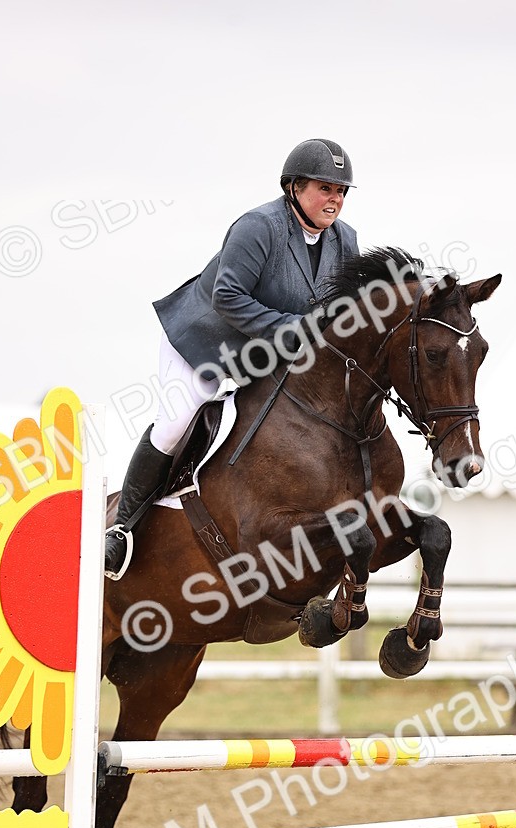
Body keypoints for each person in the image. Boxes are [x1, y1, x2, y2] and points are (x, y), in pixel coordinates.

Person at [105, 137, 359, 579]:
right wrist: (294, 330)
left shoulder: (345, 240)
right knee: (176, 422)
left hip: (269, 355)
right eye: (325, 188)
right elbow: (227, 295)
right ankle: (122, 530)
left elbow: (343, 310)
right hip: (206, 342)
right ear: (295, 187)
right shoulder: (259, 226)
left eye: (340, 191)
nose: (334, 199)